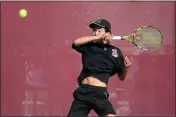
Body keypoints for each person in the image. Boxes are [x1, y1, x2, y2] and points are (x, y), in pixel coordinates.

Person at [67, 19, 132, 117]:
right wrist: (97, 37)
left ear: (108, 33)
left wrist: (126, 68)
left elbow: (122, 77)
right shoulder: (89, 46)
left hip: (99, 93)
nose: (95, 33)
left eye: (99, 30)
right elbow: (76, 42)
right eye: (94, 30)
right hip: (83, 92)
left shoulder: (116, 52)